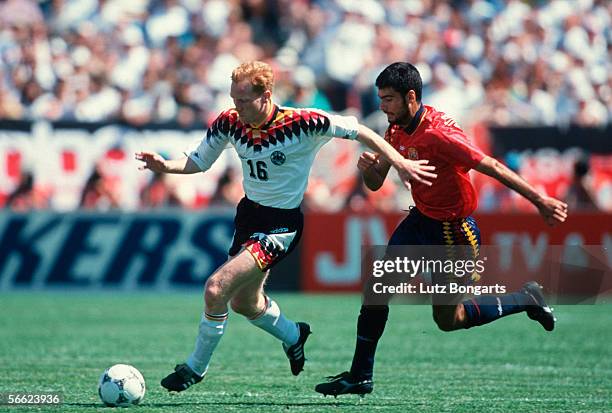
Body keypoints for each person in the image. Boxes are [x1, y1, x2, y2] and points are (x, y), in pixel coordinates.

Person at [135, 61, 437, 392]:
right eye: (234, 99)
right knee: (244, 303)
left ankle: (194, 368)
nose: (236, 107)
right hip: (249, 216)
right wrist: (165, 166)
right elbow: (198, 162)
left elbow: (359, 130)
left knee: (216, 289)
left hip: (281, 226)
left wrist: (400, 162)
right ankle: (294, 334)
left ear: (266, 96)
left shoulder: (303, 122)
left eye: (243, 100)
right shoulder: (229, 122)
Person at [315, 62, 568, 397]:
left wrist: (539, 199)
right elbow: (376, 184)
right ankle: (361, 375)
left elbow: (489, 165)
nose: (383, 106)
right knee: (377, 288)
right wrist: (367, 171)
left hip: (454, 233)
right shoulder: (396, 128)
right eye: (380, 98)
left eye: (388, 99)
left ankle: (526, 298)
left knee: (449, 319)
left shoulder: (439, 134)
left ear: (410, 97)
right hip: (419, 220)